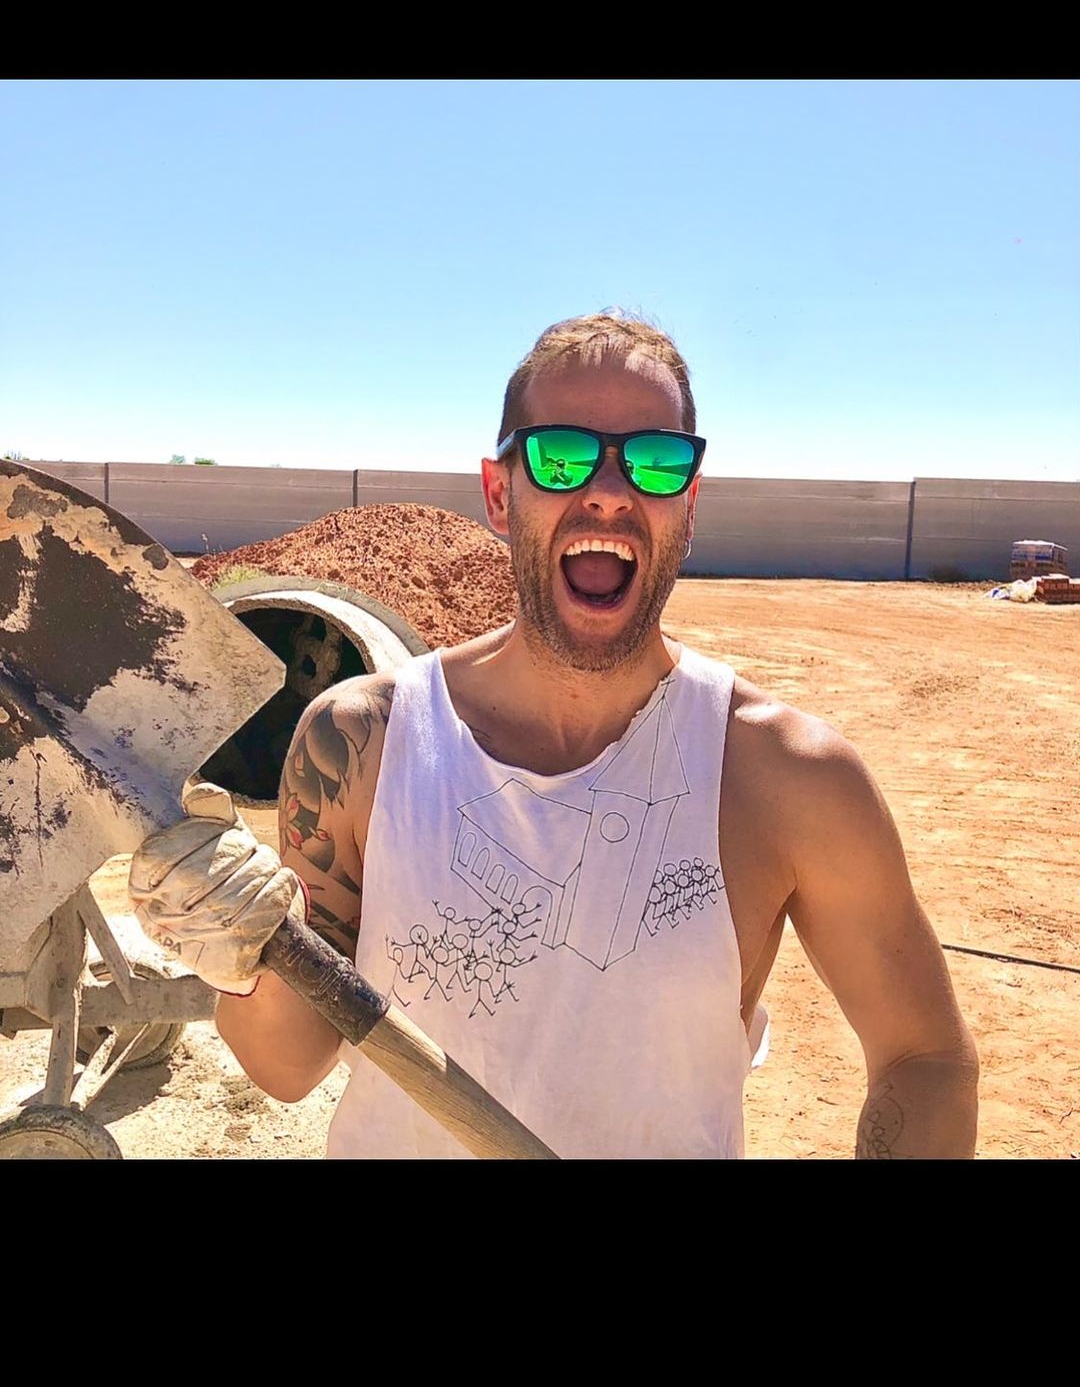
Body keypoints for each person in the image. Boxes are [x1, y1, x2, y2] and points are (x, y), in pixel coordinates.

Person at [129, 311, 979, 1159]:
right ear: (501, 495)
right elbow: (285, 1065)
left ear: (688, 504)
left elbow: (926, 1057)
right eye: (561, 456)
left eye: (654, 461)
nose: (609, 490)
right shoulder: (362, 745)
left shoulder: (787, 778)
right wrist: (243, 952)